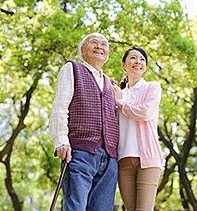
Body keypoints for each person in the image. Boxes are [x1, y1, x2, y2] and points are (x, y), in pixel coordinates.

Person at [49, 32, 119, 211]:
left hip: (109, 158)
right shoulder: (72, 69)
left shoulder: (111, 83)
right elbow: (60, 106)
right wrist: (61, 140)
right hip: (80, 153)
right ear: (82, 49)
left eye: (103, 44)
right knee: (76, 208)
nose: (99, 47)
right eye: (93, 43)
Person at [112, 46, 163, 211]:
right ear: (123, 64)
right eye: (133, 58)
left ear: (145, 67)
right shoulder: (119, 94)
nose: (138, 62)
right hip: (123, 161)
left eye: (142, 59)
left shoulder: (152, 88)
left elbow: (145, 112)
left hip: (148, 160)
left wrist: (120, 102)